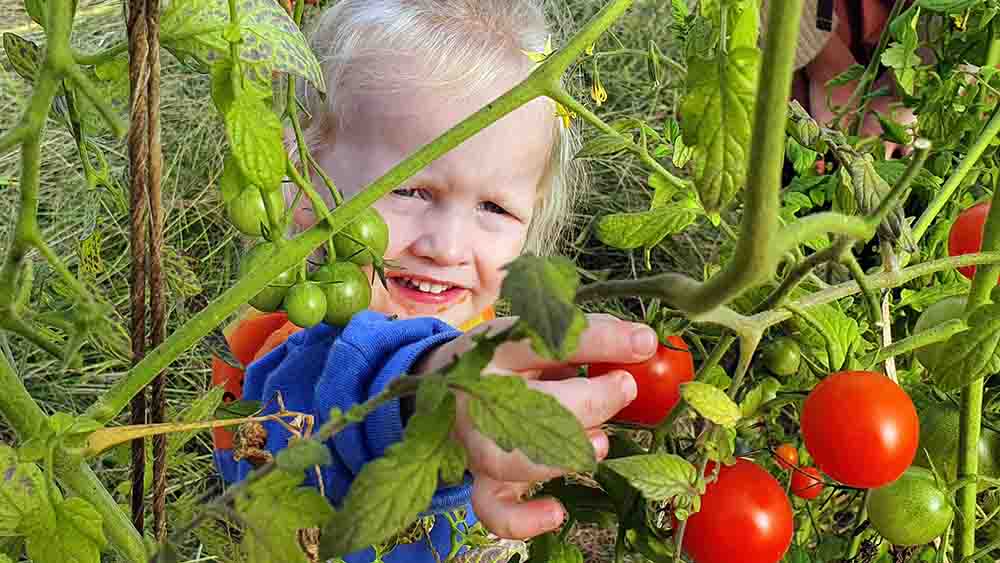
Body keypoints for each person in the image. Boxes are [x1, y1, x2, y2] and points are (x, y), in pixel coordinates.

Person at [210, 1, 658, 562]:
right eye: (410, 191)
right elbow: (352, 395)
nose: (446, 248)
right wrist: (435, 401)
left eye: (494, 208)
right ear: (303, 178)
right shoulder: (290, 358)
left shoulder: (485, 334)